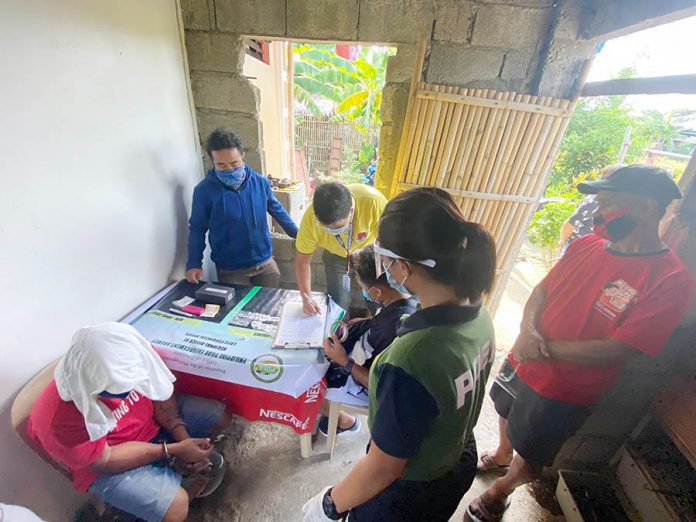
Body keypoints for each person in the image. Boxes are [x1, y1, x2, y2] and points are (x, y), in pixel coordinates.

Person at [467, 165, 696, 522]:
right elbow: (541, 289)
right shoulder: (588, 244)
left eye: (609, 201)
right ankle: (501, 454)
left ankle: (501, 491)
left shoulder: (670, 278)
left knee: (534, 454)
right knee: (504, 408)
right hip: (523, 360)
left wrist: (540, 348)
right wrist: (527, 333)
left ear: (646, 207)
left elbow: (621, 348)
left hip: (563, 387)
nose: (600, 211)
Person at [303, 187, 497, 521]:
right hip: (455, 459)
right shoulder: (479, 314)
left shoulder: (409, 362)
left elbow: (383, 469)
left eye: (386, 261)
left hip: (408, 495)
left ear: (404, 267)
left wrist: (330, 503)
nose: (387, 270)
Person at [28, 322, 231, 522]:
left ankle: (177, 475)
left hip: (149, 425)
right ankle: (162, 493)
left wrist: (182, 437)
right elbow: (105, 460)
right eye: (122, 389)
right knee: (176, 507)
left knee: (219, 416)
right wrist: (174, 450)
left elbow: (160, 391)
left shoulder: (130, 349)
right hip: (107, 459)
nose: (134, 389)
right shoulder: (60, 421)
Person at [319, 245, 417, 437]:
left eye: (363, 288)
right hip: (359, 356)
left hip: (364, 381)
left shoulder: (397, 330)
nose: (363, 292)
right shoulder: (403, 299)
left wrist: (344, 361)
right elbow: (381, 319)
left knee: (309, 388)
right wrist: (363, 322)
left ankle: (345, 421)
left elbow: (379, 385)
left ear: (376, 293)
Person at [186, 129, 298, 288]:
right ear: (213, 162)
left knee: (269, 306)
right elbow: (197, 229)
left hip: (264, 262)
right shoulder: (204, 191)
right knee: (237, 310)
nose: (230, 169)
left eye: (234, 163)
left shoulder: (260, 183)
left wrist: (298, 235)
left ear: (242, 156)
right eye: (221, 165)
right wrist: (194, 263)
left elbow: (277, 210)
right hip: (231, 270)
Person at [295, 182, 387, 314]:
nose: (335, 233)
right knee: (339, 303)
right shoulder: (310, 219)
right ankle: (341, 331)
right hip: (336, 257)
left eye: (339, 228)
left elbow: (387, 243)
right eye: (328, 229)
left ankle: (374, 323)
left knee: (377, 299)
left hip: (370, 254)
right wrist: (306, 297)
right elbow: (302, 262)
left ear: (351, 211)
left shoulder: (374, 203)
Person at [557, 164, 622, 254]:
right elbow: (571, 223)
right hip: (583, 247)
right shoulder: (596, 199)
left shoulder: (595, 199)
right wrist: (562, 241)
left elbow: (571, 222)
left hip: (584, 249)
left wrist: (562, 241)